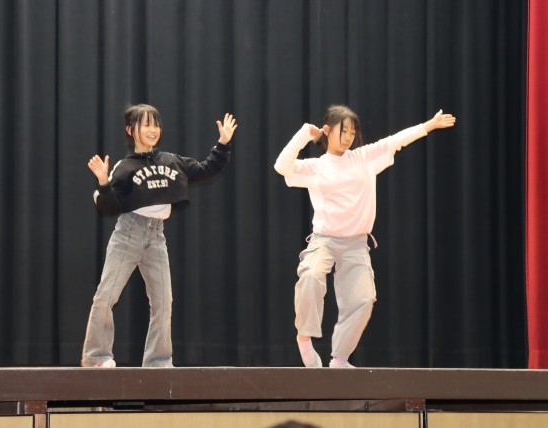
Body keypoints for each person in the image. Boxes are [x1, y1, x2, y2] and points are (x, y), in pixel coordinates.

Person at [274, 105, 455, 368]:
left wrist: (429, 125)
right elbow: (281, 166)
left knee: (364, 299)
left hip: (356, 244)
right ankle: (304, 338)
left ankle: (339, 358)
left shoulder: (364, 158)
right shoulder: (316, 167)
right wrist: (304, 134)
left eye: (353, 132)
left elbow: (396, 140)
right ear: (328, 130)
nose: (349, 137)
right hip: (324, 240)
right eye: (343, 131)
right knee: (311, 277)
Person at [82, 103, 237, 368]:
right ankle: (97, 357)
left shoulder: (172, 161)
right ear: (130, 130)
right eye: (146, 124)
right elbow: (110, 208)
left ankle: (158, 362)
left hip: (156, 236)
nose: (153, 130)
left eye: (156, 124)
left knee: (164, 302)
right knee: (106, 295)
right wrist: (104, 182)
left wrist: (223, 143)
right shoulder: (125, 167)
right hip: (128, 233)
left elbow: (206, 169)